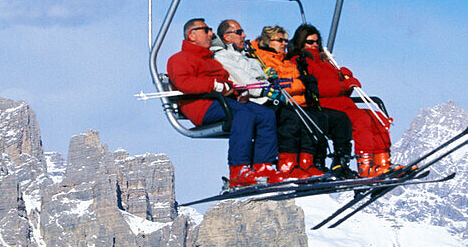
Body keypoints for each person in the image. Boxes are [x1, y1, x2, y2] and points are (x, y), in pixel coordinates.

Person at [167, 18, 281, 187]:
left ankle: (263, 166)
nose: (211, 34)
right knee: (243, 114)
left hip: (222, 102)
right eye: (206, 30)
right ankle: (238, 169)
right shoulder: (180, 59)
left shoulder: (210, 60)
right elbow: (184, 83)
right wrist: (215, 86)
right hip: (201, 105)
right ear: (192, 35)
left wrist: (237, 91)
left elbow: (225, 81)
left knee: (265, 114)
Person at [289, 24, 394, 177]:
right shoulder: (299, 61)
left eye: (317, 42)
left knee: (378, 118)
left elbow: (343, 90)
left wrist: (347, 81)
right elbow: (316, 87)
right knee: (362, 120)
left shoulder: (328, 62)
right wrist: (342, 85)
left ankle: (382, 162)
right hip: (326, 106)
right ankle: (366, 166)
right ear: (301, 43)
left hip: (344, 104)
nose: (315, 45)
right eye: (310, 42)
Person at [252, 25, 354, 179]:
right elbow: (278, 84)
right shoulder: (262, 59)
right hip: (281, 103)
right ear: (268, 41)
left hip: (299, 102)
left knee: (329, 117)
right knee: (295, 119)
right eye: (280, 40)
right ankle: (288, 164)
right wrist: (301, 84)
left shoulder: (286, 60)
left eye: (286, 40)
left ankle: (316, 162)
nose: (284, 43)